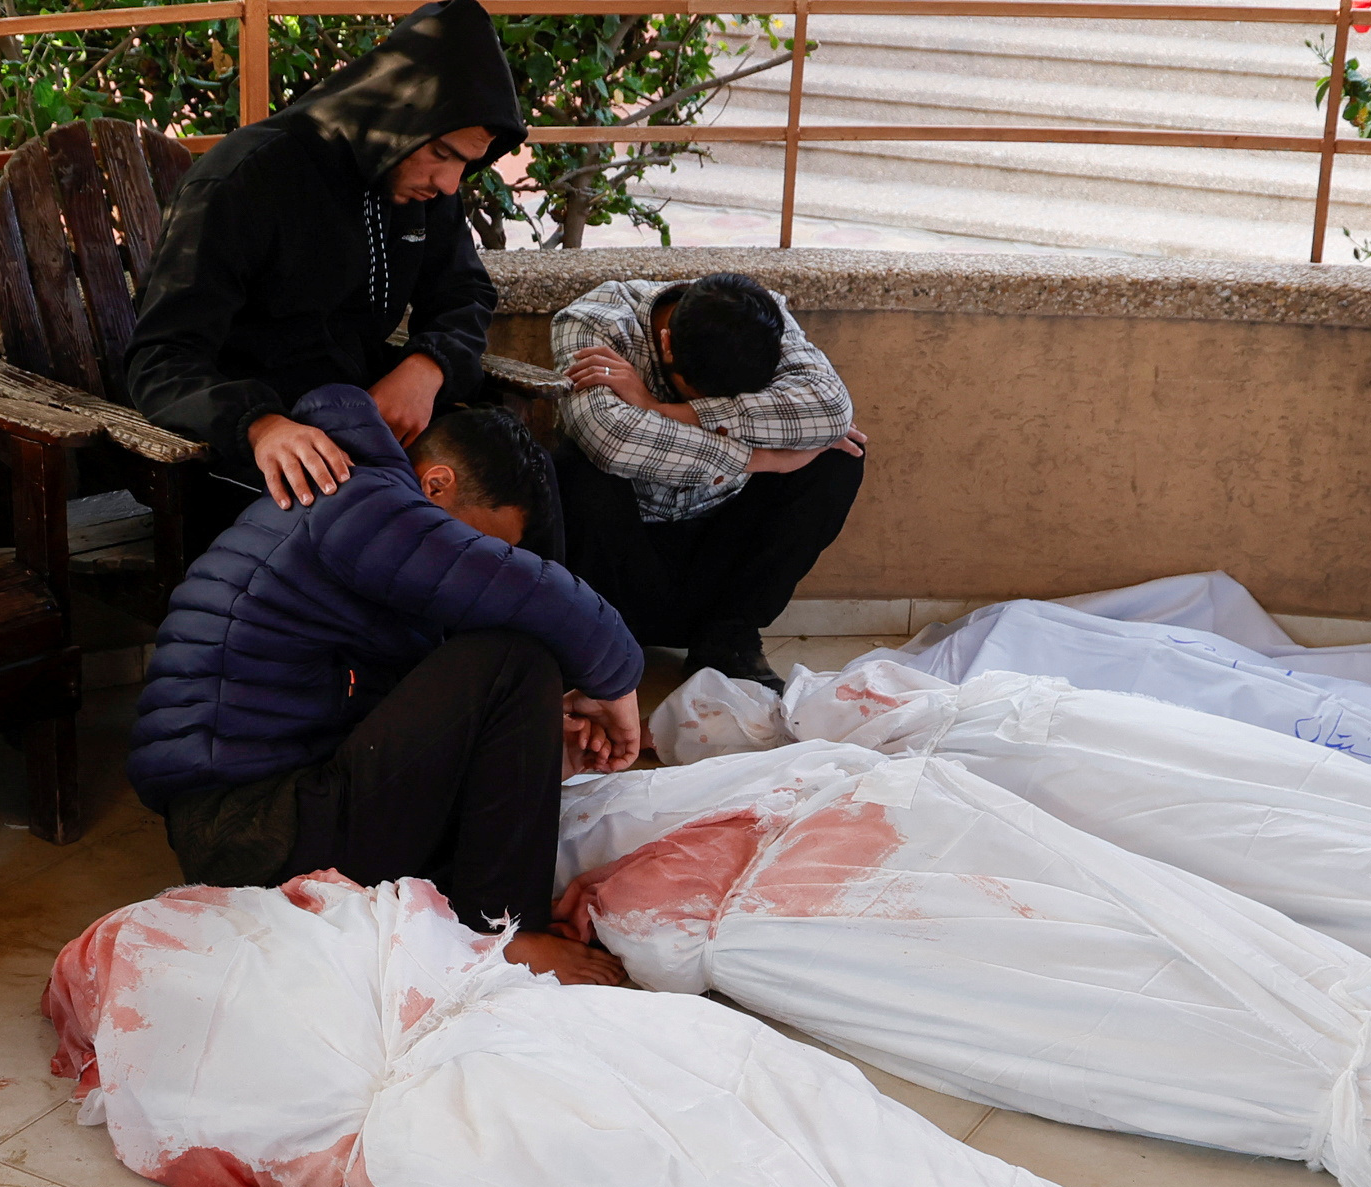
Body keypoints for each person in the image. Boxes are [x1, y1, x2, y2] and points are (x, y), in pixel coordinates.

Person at [127, 386, 643, 985]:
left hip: (274, 807)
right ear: (437, 485)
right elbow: (535, 596)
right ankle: (503, 934)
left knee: (501, 670)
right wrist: (619, 681)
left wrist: (528, 756)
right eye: (483, 545)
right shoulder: (359, 501)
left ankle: (487, 911)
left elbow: (399, 729)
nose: (480, 563)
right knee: (513, 660)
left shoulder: (364, 518)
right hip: (250, 830)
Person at [124, 0, 523, 523]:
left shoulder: (422, 183)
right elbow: (161, 358)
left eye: (467, 164)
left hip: (361, 425)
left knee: (526, 481)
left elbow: (464, 294)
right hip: (251, 451)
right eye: (443, 155)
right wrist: (261, 425)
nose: (450, 184)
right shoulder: (243, 182)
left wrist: (428, 366)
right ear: (395, 117)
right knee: (391, 527)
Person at [553, 271, 867, 688]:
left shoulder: (759, 318)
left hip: (721, 553)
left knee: (839, 457)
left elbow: (830, 410)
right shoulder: (596, 321)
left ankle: (727, 638)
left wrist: (662, 409)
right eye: (692, 393)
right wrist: (767, 458)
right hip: (623, 557)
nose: (703, 406)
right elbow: (612, 440)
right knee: (576, 464)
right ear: (666, 342)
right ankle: (599, 645)